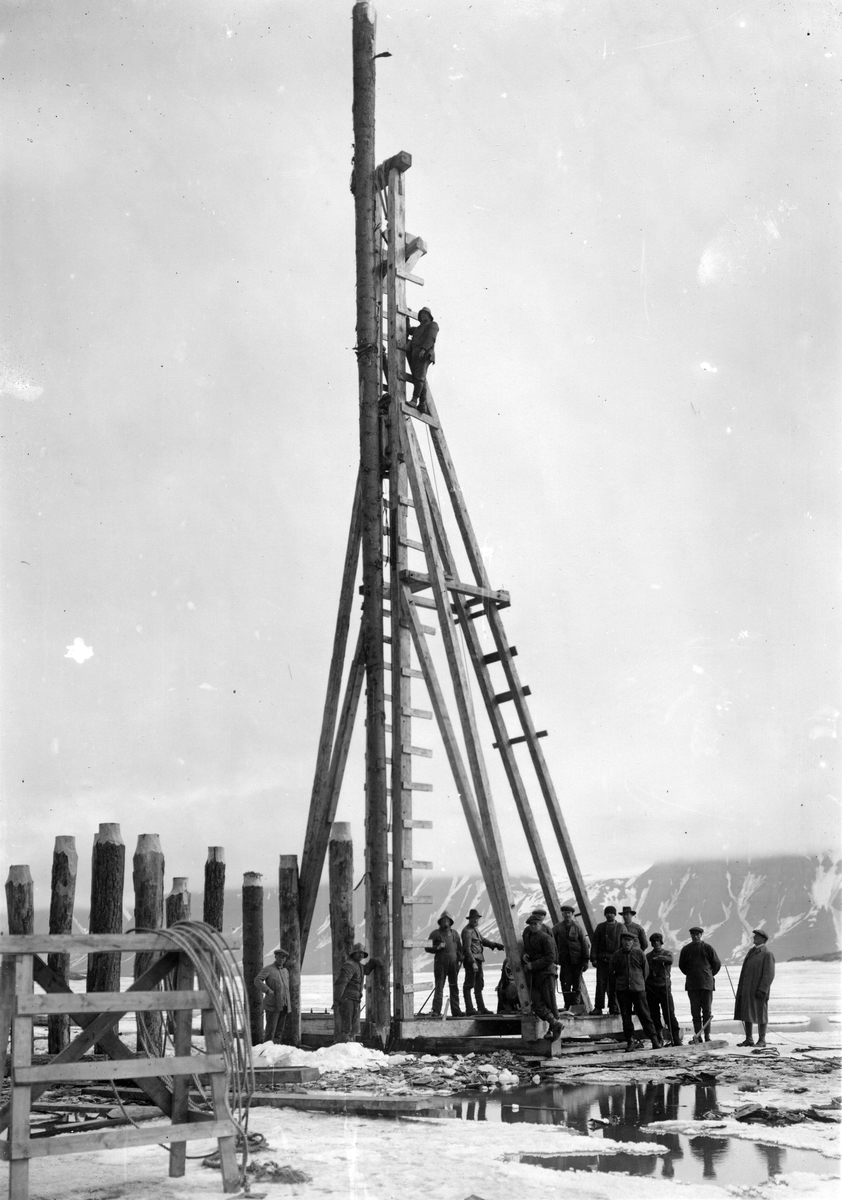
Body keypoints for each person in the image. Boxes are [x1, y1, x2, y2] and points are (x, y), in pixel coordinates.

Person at [610, 930, 660, 1051]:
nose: (627, 943)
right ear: (621, 941)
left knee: (645, 1015)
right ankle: (630, 1042)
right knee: (626, 1017)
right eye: (625, 940)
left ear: (633, 942)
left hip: (638, 990)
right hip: (623, 991)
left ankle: (654, 1040)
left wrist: (639, 982)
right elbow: (611, 975)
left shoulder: (639, 953)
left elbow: (645, 971)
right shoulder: (616, 956)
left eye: (629, 940)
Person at [678, 926, 721, 1043]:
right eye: (693, 934)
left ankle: (707, 1035)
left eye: (697, 934)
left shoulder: (708, 948)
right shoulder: (686, 949)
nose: (695, 936)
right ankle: (698, 1036)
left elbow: (717, 964)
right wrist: (692, 974)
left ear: (701, 935)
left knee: (707, 1011)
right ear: (691, 935)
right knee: (695, 1012)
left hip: (706, 985)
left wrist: (708, 974)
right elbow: (682, 966)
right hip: (692, 985)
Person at [522, 913, 562, 1039]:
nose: (533, 926)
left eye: (535, 924)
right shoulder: (527, 936)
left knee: (550, 1002)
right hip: (536, 975)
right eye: (531, 924)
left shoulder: (546, 938)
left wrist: (533, 965)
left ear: (540, 924)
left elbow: (551, 957)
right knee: (536, 1002)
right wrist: (525, 955)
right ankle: (554, 1023)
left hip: (547, 973)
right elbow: (527, 950)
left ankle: (552, 1030)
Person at [734, 929, 776, 1048]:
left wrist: (763, 989)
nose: (754, 938)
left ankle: (762, 1040)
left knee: (761, 1014)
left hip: (759, 991)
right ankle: (749, 1039)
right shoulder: (751, 951)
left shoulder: (767, 954)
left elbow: (769, 974)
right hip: (747, 990)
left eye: (756, 937)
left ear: (763, 939)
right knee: (747, 1013)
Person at [333, 942, 381, 1043]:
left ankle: (350, 1046)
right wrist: (337, 1000)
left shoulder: (358, 966)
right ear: (353, 954)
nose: (361, 955)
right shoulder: (349, 966)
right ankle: (342, 1047)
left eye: (362, 953)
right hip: (347, 1000)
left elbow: (366, 970)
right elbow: (341, 983)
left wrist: (372, 962)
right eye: (359, 953)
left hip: (355, 1000)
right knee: (346, 1028)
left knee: (354, 1028)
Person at [460, 908, 503, 1015]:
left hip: (478, 960)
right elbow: (467, 949)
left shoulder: (475, 930)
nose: (476, 920)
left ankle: (481, 1008)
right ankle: (469, 1009)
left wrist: (494, 945)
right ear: (470, 919)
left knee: (479, 984)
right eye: (474, 919)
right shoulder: (467, 931)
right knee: (469, 984)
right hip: (472, 961)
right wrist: (473, 962)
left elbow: (482, 940)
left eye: (477, 919)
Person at [551, 905, 591, 1010]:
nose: (567, 915)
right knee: (565, 984)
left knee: (577, 985)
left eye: (569, 913)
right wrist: (554, 957)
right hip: (565, 962)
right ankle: (567, 1005)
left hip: (577, 961)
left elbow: (585, 944)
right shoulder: (557, 927)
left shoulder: (578, 928)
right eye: (565, 913)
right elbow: (550, 940)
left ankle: (575, 1006)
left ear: (572, 914)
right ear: (562, 914)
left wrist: (585, 961)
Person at [645, 933, 682, 1046]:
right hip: (651, 988)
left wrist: (657, 959)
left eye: (658, 941)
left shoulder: (667, 953)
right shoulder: (648, 956)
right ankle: (659, 1038)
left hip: (664, 987)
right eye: (654, 942)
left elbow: (670, 960)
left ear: (661, 942)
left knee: (669, 1014)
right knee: (654, 1015)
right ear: (652, 943)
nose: (656, 943)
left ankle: (675, 1038)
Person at [425, 910, 464, 1017]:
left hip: (453, 964)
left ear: (450, 921)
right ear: (440, 922)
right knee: (439, 987)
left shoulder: (455, 934)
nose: (445, 922)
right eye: (443, 920)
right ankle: (436, 1011)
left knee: (454, 987)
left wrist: (460, 958)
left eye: (447, 920)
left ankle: (456, 1010)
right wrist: (437, 947)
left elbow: (459, 949)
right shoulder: (435, 933)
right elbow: (426, 947)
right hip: (440, 964)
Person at [590, 905, 624, 1015]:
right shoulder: (600, 927)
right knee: (600, 985)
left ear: (615, 914)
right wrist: (593, 958)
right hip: (602, 961)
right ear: (605, 914)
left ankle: (614, 1007)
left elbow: (624, 944)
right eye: (607, 913)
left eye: (611, 913)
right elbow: (594, 943)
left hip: (615, 962)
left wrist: (622, 959)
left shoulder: (621, 927)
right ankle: (598, 1007)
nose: (609, 915)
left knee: (614, 985)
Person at [254, 946, 291, 1044]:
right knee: (270, 1032)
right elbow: (257, 980)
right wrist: (268, 991)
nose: (282, 959)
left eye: (284, 958)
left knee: (279, 1032)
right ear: (275, 957)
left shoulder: (285, 971)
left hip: (284, 1005)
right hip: (272, 1005)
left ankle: (275, 1049)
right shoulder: (268, 969)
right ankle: (267, 1049)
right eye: (279, 957)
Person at [406, 307, 438, 410]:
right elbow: (409, 330)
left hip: (424, 353)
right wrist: (406, 318)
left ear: (429, 317)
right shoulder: (418, 329)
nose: (423, 316)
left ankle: (414, 400)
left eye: (425, 314)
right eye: (422, 315)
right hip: (415, 353)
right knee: (419, 378)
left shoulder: (432, 325)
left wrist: (423, 350)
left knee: (419, 377)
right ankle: (422, 404)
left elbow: (431, 338)